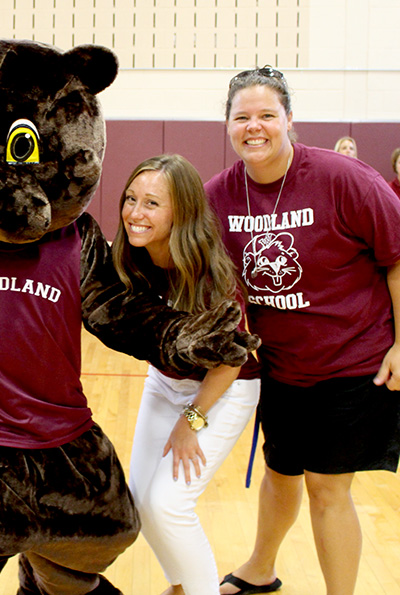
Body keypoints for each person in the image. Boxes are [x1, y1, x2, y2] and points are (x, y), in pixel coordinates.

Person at [206, 66, 400, 595]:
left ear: (289, 120)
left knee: (328, 487)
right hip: (280, 366)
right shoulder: (218, 194)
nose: (253, 127)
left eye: (266, 115)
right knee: (280, 473)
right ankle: (260, 568)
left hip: (353, 361)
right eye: (242, 117)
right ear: (227, 125)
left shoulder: (343, 178)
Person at [115, 155, 261, 595]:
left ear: (181, 212)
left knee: (169, 505)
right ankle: (181, 586)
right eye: (130, 199)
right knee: (140, 501)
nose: (135, 214)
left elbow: (231, 360)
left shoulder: (210, 273)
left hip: (225, 388)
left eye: (152, 204)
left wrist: (191, 421)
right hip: (165, 381)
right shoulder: (133, 258)